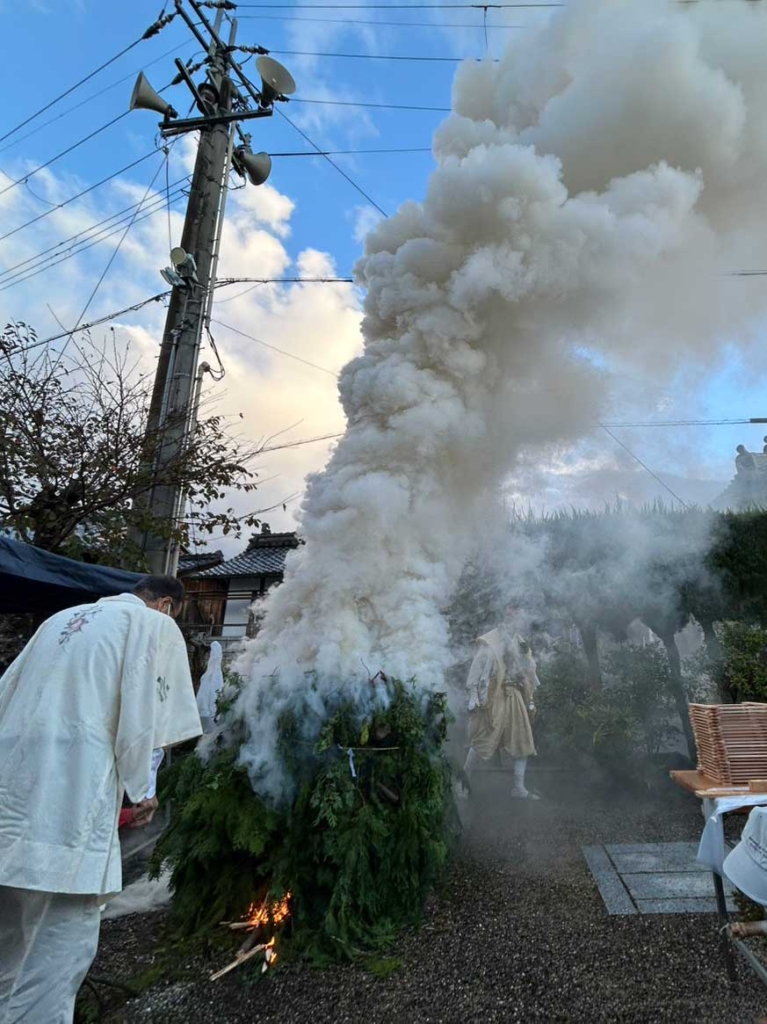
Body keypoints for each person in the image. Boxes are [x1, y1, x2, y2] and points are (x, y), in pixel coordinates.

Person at [0, 575, 202, 1024]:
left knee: (7, 944)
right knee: (60, 946)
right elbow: (149, 717)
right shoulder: (154, 626)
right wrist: (143, 791)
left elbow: (5, 695)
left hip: (8, 790)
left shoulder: (59, 619)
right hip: (71, 794)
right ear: (166, 604)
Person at [463, 606, 540, 799]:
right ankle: (461, 782)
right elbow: (477, 668)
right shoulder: (490, 641)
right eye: (511, 618)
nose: (516, 623)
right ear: (503, 620)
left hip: (515, 695)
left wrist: (525, 679)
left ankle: (518, 788)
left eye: (518, 619)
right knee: (483, 739)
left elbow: (529, 667)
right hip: (494, 697)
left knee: (523, 739)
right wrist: (474, 696)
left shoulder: (520, 642)